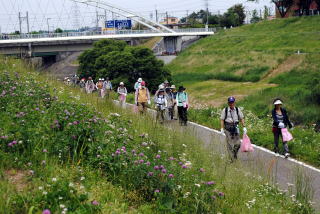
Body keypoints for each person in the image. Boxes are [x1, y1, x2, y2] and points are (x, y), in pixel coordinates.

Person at [220, 96, 247, 162]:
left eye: (232, 102)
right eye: (230, 102)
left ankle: (234, 154)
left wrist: (244, 127)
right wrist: (222, 128)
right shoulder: (225, 110)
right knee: (229, 144)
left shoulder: (238, 110)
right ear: (228, 103)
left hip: (236, 127)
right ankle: (232, 159)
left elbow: (241, 118)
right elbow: (222, 119)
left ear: (234, 102)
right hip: (228, 128)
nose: (231, 104)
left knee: (238, 143)